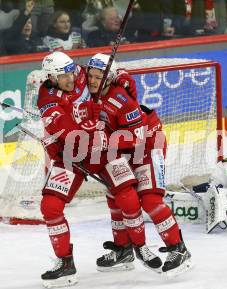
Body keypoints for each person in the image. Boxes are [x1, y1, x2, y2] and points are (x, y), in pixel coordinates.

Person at [36, 51, 161, 288]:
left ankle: (139, 247)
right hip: (73, 154)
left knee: (128, 197)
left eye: (71, 72)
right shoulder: (47, 98)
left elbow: (109, 73)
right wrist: (87, 127)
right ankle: (65, 264)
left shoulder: (81, 73)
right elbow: (65, 128)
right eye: (63, 76)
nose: (71, 79)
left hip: (105, 151)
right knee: (50, 206)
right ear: (51, 77)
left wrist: (123, 77)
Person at [85, 53, 192, 277]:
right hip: (122, 151)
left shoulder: (122, 100)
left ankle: (178, 249)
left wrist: (105, 141)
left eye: (98, 77)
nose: (92, 81)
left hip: (148, 146)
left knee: (150, 199)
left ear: (109, 78)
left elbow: (138, 137)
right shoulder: (92, 94)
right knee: (116, 197)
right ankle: (124, 250)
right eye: (90, 76)